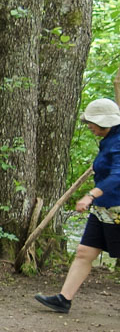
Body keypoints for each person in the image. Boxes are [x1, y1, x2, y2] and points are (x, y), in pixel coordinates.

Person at [35, 98, 120, 314]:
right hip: (102, 209)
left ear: (104, 122)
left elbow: (117, 176)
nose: (88, 125)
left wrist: (90, 195)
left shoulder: (118, 141)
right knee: (83, 252)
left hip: (116, 210)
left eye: (91, 122)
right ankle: (63, 300)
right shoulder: (109, 139)